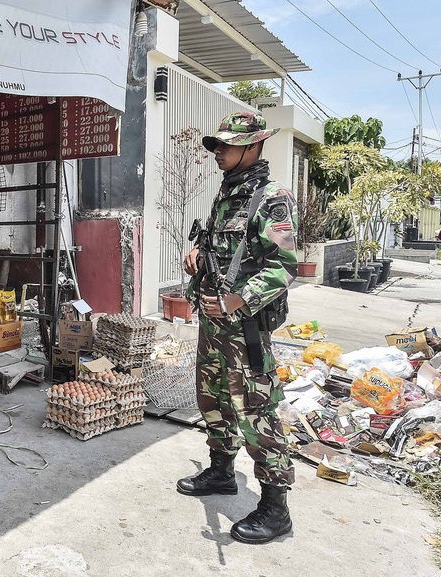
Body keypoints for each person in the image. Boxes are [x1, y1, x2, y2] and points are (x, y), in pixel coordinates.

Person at [177, 111, 298, 545]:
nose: (218, 153)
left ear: (253, 147)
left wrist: (238, 298)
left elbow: (284, 266)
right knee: (211, 397)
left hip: (244, 325)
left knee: (256, 410)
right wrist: (196, 252)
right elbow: (221, 247)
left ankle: (275, 507)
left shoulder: (272, 198)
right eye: (217, 146)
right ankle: (221, 470)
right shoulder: (228, 194)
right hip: (214, 321)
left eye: (226, 146)